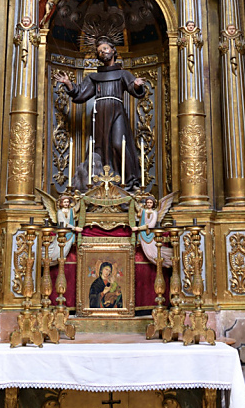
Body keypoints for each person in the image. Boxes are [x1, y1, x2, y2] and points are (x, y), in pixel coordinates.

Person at [54, 36, 145, 189]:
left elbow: (134, 89)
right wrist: (69, 83)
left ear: (113, 51)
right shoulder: (93, 77)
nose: (102, 53)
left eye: (105, 49)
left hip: (116, 112)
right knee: (100, 148)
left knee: (118, 144)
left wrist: (136, 86)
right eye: (99, 51)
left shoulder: (123, 74)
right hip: (100, 113)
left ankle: (129, 181)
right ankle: (104, 182)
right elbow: (81, 93)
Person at [132, 194, 172, 266]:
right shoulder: (143, 211)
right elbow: (137, 207)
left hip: (149, 234)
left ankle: (168, 261)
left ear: (153, 203)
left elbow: (151, 225)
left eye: (150, 202)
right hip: (142, 234)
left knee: (152, 253)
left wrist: (138, 228)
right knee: (149, 254)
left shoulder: (154, 213)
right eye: (148, 202)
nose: (149, 204)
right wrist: (133, 198)